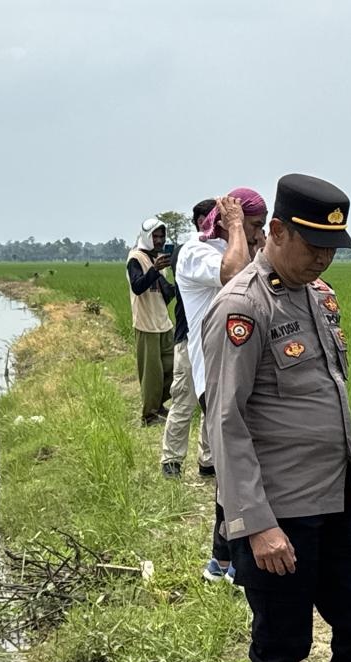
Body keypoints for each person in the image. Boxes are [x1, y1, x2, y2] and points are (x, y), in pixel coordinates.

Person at [204, 173, 351, 662]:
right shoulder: (242, 307)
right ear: (276, 231)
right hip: (278, 513)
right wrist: (256, 525)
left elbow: (332, 397)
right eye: (312, 246)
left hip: (335, 502)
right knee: (283, 645)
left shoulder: (319, 298)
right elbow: (226, 423)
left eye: (332, 248)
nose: (322, 258)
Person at [176, 187, 267, 581]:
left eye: (263, 226)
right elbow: (237, 274)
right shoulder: (196, 253)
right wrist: (236, 230)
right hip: (213, 375)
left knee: (238, 467)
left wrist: (258, 239)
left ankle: (223, 559)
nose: (255, 234)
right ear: (228, 222)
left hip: (245, 371)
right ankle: (229, 562)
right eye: (252, 225)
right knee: (235, 468)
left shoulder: (242, 248)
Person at [160, 199, 217, 479]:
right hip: (188, 336)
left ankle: (208, 460)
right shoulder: (187, 251)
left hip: (215, 341)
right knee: (184, 399)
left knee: (212, 401)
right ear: (200, 222)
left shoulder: (220, 251)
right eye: (213, 219)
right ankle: (171, 460)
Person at [126, 216, 176, 426]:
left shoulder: (158, 259)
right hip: (146, 325)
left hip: (163, 323)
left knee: (173, 368)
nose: (158, 240)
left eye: (161, 236)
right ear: (146, 237)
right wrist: (154, 269)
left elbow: (166, 292)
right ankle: (149, 415)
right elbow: (138, 286)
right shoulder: (136, 259)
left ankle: (160, 405)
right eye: (155, 236)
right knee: (152, 374)